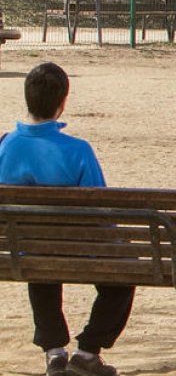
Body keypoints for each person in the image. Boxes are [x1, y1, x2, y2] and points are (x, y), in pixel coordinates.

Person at [0, 63, 132, 376]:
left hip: (22, 249)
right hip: (75, 248)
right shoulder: (78, 151)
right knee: (124, 278)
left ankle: (54, 352)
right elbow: (99, 210)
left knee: (40, 262)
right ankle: (88, 351)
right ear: (62, 104)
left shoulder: (4, 146)